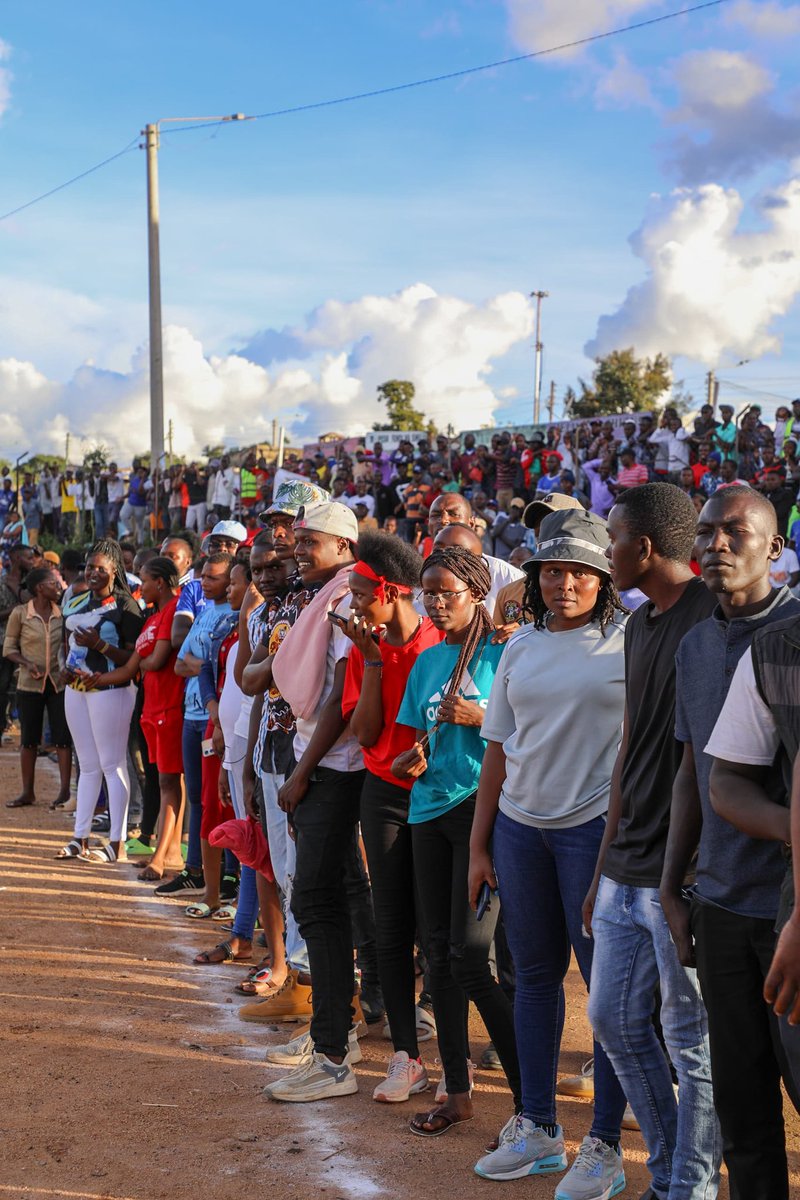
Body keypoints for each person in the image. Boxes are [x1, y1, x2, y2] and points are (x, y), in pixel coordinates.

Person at [469, 510, 628, 1191]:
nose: (565, 583)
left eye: (580, 572)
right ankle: (536, 1128)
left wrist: (616, 852)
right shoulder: (520, 646)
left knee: (606, 997)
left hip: (593, 834)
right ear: (536, 578)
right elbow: (498, 751)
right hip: (517, 829)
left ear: (605, 577)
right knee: (532, 980)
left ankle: (606, 1147)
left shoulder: (629, 642)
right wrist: (481, 845)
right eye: (553, 571)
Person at [660, 486, 800, 1199]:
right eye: (706, 532)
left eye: (735, 532)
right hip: (719, 902)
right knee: (742, 1107)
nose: (715, 544)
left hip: (789, 909)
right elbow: (692, 772)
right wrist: (672, 885)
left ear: (774, 547)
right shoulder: (697, 646)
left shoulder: (796, 636)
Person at [583, 484, 721, 1200]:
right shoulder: (638, 626)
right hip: (626, 863)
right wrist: (603, 860)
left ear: (643, 546)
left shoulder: (714, 618)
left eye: (612, 541)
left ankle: (688, 1188)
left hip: (686, 872)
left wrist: (682, 876)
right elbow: (631, 741)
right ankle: (668, 1169)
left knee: (690, 1043)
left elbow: (711, 758)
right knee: (610, 1018)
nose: (607, 555)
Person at [393, 545, 521, 1141]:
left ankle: (531, 1101)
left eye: (449, 591)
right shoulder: (426, 660)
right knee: (439, 955)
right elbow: (422, 739)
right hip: (427, 812)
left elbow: (527, 729)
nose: (437, 602)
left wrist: (482, 715)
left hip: (481, 812)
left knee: (471, 959)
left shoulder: (508, 652)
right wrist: (414, 755)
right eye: (430, 593)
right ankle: (459, 1094)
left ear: (477, 591)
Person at [262, 501, 373, 1102]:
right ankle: (339, 1034)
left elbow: (341, 698)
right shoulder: (324, 594)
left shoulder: (343, 598)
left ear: (346, 547)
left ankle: (334, 1053)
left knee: (318, 901)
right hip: (323, 763)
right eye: (298, 540)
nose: (298, 549)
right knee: (331, 899)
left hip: (334, 767)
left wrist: (302, 774)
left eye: (313, 541)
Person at [340, 531, 441, 1102]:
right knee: (391, 923)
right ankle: (407, 1056)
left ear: (392, 591)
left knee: (439, 931)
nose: (352, 601)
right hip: (382, 792)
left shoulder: (437, 643)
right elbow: (364, 733)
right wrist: (373, 659)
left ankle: (453, 1055)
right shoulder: (365, 647)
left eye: (359, 590)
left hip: (436, 797)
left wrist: (432, 749)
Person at [86, 557, 187, 883]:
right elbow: (132, 667)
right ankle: (167, 850)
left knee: (169, 782)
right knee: (165, 782)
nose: (139, 587)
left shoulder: (173, 612)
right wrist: (90, 681)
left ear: (160, 582)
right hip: (152, 710)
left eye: (143, 580)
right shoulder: (152, 617)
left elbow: (155, 661)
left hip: (170, 707)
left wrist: (140, 663)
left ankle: (162, 855)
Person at [57, 539, 145, 863]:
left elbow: (134, 657)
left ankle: (116, 843)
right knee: (88, 765)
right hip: (76, 688)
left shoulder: (128, 607)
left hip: (111, 689)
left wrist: (101, 646)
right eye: (90, 567)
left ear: (114, 571)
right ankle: (79, 837)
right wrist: (65, 670)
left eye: (101, 569)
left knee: (112, 764)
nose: (94, 573)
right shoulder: (76, 600)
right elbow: (68, 641)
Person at [156, 552, 233, 899]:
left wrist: (202, 667)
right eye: (203, 576)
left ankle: (229, 873)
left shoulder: (234, 616)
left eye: (213, 577)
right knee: (200, 799)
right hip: (191, 715)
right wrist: (203, 667)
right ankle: (195, 868)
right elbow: (180, 665)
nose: (205, 582)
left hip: (213, 718)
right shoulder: (204, 613)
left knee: (219, 798)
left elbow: (211, 668)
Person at [3, 566, 72, 810]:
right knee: (29, 740)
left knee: (63, 739)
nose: (59, 587)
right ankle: (27, 791)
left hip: (58, 683)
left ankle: (64, 791)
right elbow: (9, 649)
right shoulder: (21, 614)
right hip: (28, 684)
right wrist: (27, 663)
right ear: (40, 588)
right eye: (53, 584)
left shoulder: (62, 614)